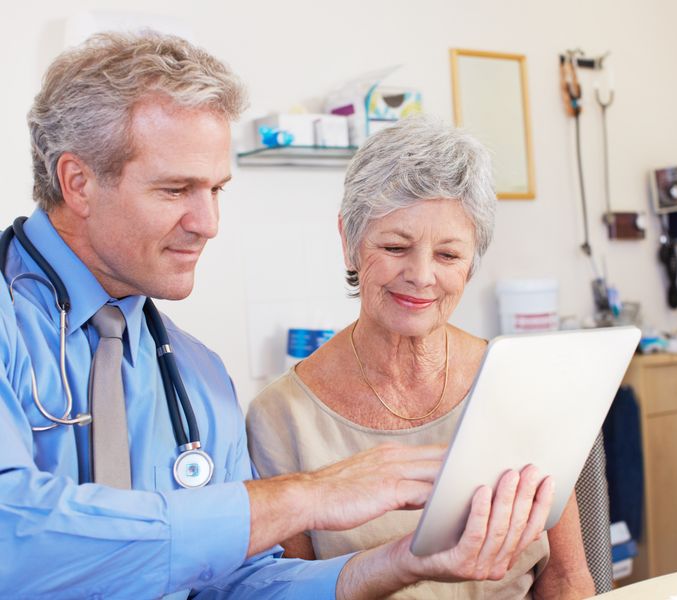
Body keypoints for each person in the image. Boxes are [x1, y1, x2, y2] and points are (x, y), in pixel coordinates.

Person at [0, 32, 556, 599]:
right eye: (176, 190)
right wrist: (306, 495)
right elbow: (12, 538)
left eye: (216, 188)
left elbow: (244, 585)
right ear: (78, 182)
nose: (208, 222)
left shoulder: (197, 379)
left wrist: (403, 562)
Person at [247, 116, 597, 599]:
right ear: (349, 241)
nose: (421, 275)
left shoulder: (519, 383)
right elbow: (285, 591)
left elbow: (566, 577)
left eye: (449, 256)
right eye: (395, 246)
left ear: (472, 262)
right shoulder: (281, 417)